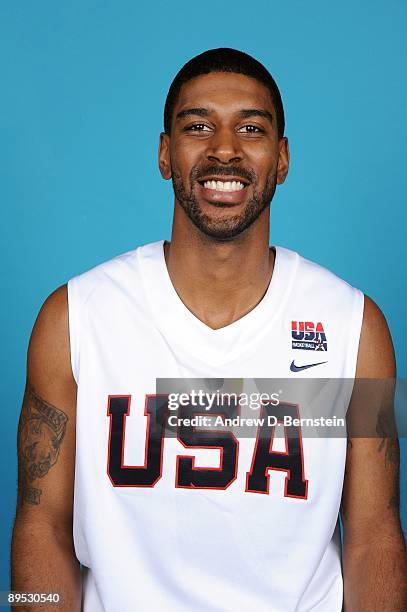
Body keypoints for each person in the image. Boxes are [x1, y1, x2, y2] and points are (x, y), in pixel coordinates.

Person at [11, 48, 406, 611]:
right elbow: (40, 524)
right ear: (165, 154)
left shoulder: (355, 328)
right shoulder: (74, 319)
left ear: (283, 158)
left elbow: (374, 534)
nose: (225, 149)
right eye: (199, 126)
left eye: (251, 127)